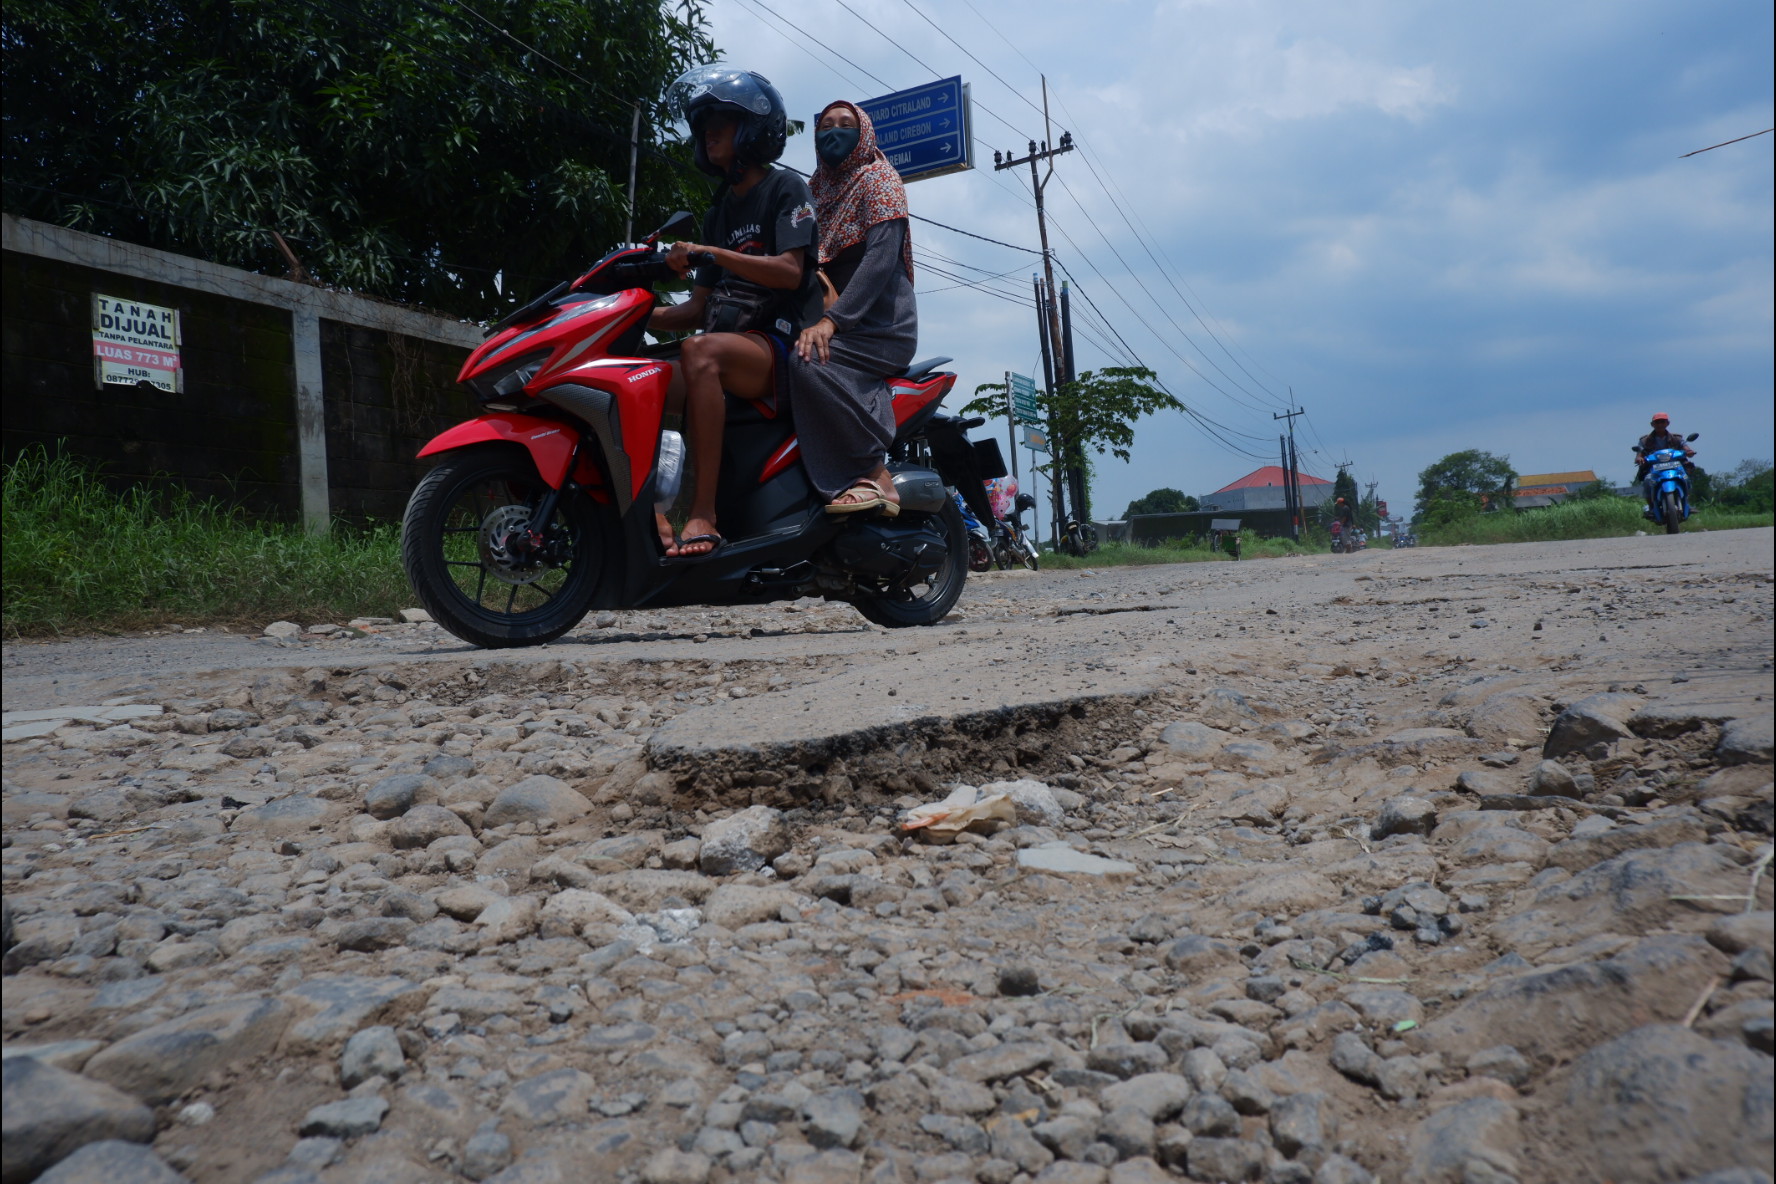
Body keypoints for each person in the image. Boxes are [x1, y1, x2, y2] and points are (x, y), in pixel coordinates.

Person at [648, 66, 824, 557]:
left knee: (700, 353)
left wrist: (714, 253)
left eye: (722, 119)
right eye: (705, 123)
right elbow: (697, 309)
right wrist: (631, 315)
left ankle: (703, 513)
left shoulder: (787, 189)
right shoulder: (718, 211)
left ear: (754, 129)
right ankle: (653, 517)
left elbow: (791, 272)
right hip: (733, 342)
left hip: (786, 344)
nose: (709, 131)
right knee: (638, 377)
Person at [790, 99, 920, 515]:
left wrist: (832, 322)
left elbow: (880, 260)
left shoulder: (879, 178)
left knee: (805, 362)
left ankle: (874, 472)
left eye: (845, 124)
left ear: (863, 133)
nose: (833, 132)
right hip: (835, 322)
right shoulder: (814, 191)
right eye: (825, 125)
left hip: (882, 327)